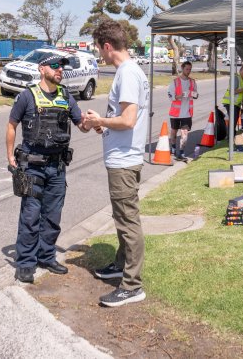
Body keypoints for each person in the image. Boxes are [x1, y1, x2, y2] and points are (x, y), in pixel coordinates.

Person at [6, 54, 89, 284]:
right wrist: (10, 155)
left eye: (62, 67)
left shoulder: (66, 96)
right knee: (30, 216)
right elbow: (12, 125)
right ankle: (25, 263)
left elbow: (80, 123)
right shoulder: (27, 96)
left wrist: (92, 124)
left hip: (57, 167)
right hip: (32, 167)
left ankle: (46, 256)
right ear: (42, 69)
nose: (60, 70)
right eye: (55, 66)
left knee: (52, 216)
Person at [84, 20, 150, 307]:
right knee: (122, 218)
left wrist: (100, 120)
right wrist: (103, 125)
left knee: (127, 222)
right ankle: (120, 265)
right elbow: (120, 121)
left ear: (108, 46)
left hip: (124, 161)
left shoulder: (128, 74)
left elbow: (128, 120)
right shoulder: (129, 72)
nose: (100, 54)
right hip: (122, 157)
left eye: (99, 49)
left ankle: (132, 286)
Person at [167, 60, 198, 161]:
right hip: (175, 114)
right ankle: (173, 147)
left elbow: (196, 95)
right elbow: (169, 94)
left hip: (187, 113)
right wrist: (177, 96)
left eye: (190, 69)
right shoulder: (175, 81)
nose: (188, 71)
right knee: (174, 132)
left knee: (184, 133)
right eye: (187, 69)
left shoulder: (193, 82)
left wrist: (192, 94)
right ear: (182, 69)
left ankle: (181, 153)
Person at [222, 63, 243, 134]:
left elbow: (242, 92)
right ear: (240, 71)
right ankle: (230, 137)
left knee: (234, 120)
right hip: (230, 102)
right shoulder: (236, 78)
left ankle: (232, 135)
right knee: (233, 120)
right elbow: (232, 91)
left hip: (236, 103)